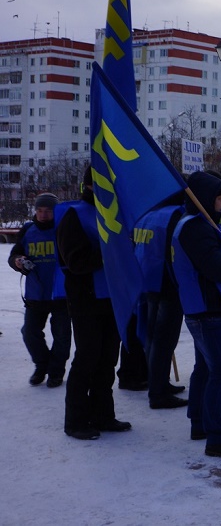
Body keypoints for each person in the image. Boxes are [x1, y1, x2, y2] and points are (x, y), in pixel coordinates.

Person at [172, 171, 221, 459]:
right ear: (205, 198)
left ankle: (200, 423)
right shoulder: (195, 227)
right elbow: (213, 268)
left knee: (206, 368)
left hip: (207, 307)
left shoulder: (202, 224)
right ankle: (216, 437)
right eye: (219, 198)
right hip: (207, 310)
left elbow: (215, 259)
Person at [56, 168, 130, 440]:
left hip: (112, 298)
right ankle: (75, 421)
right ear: (90, 186)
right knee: (87, 357)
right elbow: (75, 262)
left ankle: (103, 415)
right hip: (86, 298)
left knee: (108, 358)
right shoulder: (73, 215)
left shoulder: (115, 214)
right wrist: (109, 251)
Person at [9, 192, 69, 388]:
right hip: (36, 293)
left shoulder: (64, 229)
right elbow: (15, 254)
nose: (43, 215)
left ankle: (56, 372)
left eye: (48, 211)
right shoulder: (28, 230)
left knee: (62, 336)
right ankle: (42, 365)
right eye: (40, 210)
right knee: (29, 332)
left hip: (61, 293)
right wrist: (18, 261)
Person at [133, 201, 189, 409]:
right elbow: (175, 250)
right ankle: (158, 392)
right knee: (163, 340)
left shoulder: (148, 214)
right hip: (166, 283)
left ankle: (159, 382)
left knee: (153, 338)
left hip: (148, 280)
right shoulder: (175, 215)